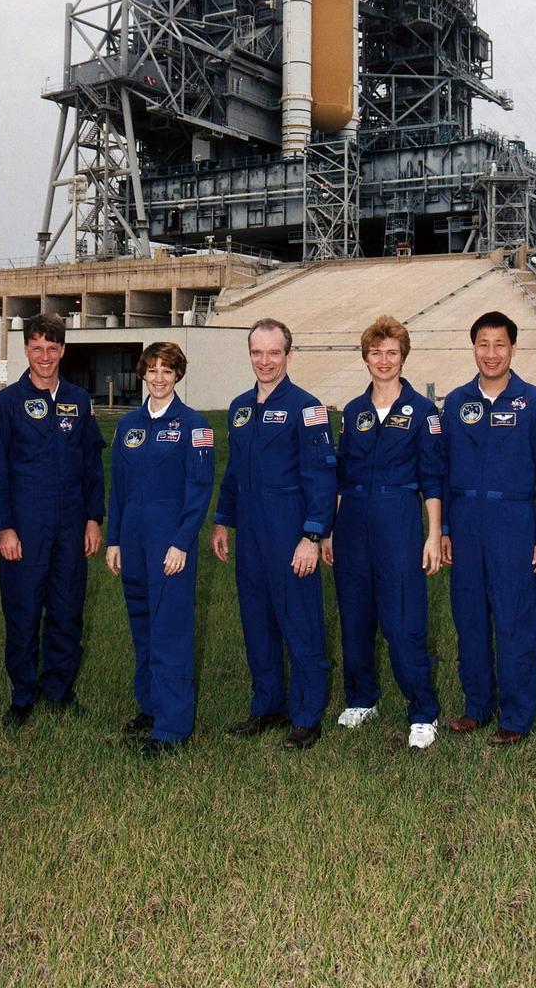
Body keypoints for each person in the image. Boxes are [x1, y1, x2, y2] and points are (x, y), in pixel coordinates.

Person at [211, 318, 337, 750]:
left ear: (288, 354)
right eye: (257, 353)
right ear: (249, 355)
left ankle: (306, 715)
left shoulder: (308, 407)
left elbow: (322, 476)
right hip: (251, 530)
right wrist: (223, 519)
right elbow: (233, 471)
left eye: (274, 352)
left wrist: (313, 535)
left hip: (290, 530)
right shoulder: (240, 408)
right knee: (257, 623)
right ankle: (267, 705)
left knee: (300, 623)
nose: (265, 361)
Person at [440, 311, 536, 745]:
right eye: (483, 344)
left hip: (514, 523)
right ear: (472, 347)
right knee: (470, 617)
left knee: (516, 620)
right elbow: (442, 469)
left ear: (513, 348)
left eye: (500, 344)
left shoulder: (534, 402)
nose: (491, 353)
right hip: (467, 523)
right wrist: (445, 529)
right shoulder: (456, 403)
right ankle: (478, 705)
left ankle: (516, 715)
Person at [324, 316, 444, 750]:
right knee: (355, 614)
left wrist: (433, 535)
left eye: (391, 352)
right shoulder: (354, 411)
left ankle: (423, 711)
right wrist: (331, 531)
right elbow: (341, 474)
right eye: (376, 353)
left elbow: (433, 477)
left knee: (402, 618)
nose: (384, 360)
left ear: (403, 356)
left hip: (398, 515)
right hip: (353, 517)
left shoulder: (423, 411)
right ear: (365, 357)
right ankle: (361, 698)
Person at [0, 313, 105, 727]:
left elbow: (92, 463)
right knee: (22, 612)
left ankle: (59, 688)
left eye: (52, 348)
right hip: (25, 529)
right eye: (37, 347)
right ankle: (22, 696)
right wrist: (4, 527)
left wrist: (94, 518)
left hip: (71, 526)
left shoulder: (79, 400)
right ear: (25, 351)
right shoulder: (7, 404)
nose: (45, 356)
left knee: (67, 609)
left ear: (63, 351)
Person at [105, 343, 215, 756]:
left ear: (178, 375)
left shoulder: (194, 425)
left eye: (167, 370)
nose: (159, 377)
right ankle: (151, 708)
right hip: (133, 540)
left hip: (170, 544)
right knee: (143, 629)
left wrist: (182, 542)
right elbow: (118, 488)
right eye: (152, 370)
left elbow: (199, 490)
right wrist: (114, 539)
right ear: (142, 374)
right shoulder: (128, 425)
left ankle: (172, 728)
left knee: (170, 632)